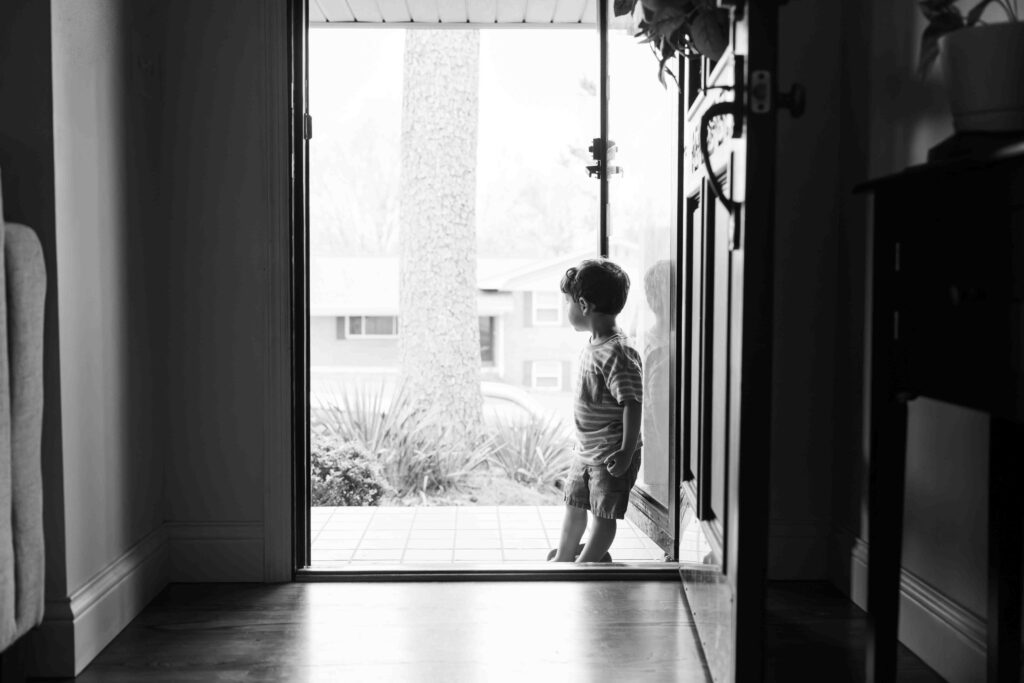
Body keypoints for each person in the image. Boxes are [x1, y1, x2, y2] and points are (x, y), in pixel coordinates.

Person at [548, 258, 643, 563]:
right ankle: (564, 560)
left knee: (603, 517)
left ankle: (586, 565)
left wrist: (627, 451)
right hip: (585, 451)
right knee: (574, 506)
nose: (567, 309)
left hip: (611, 455)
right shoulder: (594, 344)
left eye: (568, 302)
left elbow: (632, 403)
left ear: (584, 305)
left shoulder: (619, 352)